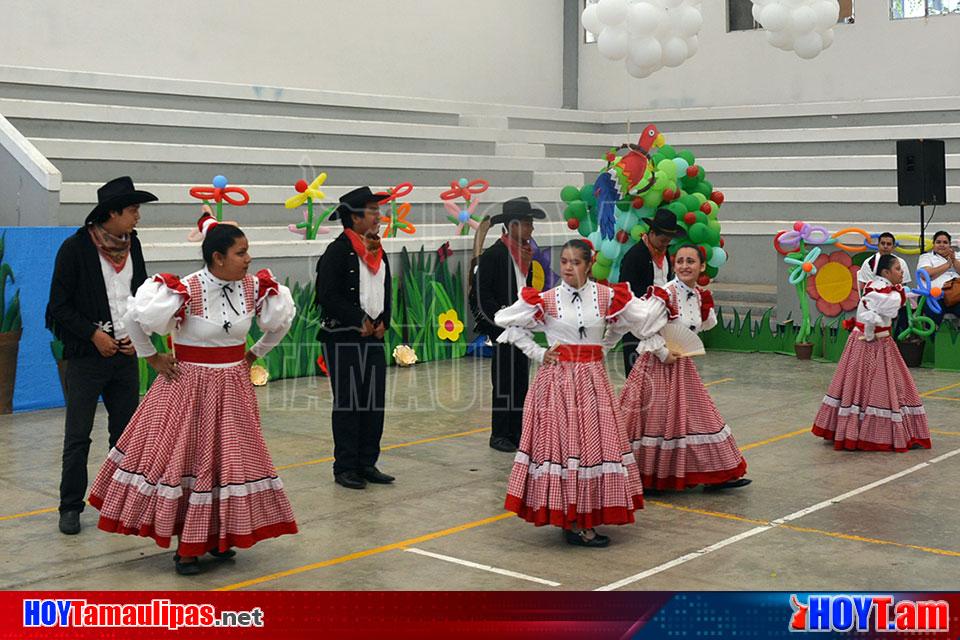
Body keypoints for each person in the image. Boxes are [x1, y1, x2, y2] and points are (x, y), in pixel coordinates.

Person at [87, 215, 298, 575]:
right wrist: (151, 357)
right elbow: (134, 318)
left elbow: (282, 322)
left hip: (233, 389)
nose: (248, 259)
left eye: (247, 252)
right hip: (188, 390)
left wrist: (253, 354)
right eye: (241, 252)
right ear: (218, 257)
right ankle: (187, 547)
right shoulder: (184, 289)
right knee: (188, 462)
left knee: (227, 462)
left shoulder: (255, 288)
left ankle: (218, 537)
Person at [494, 239, 663, 547]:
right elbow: (505, 321)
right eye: (564, 262)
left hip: (593, 382)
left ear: (588, 264)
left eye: (575, 262)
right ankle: (573, 521)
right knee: (562, 448)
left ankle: (583, 518)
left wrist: (605, 346)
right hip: (557, 383)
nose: (568, 268)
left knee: (594, 448)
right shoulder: (546, 299)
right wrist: (537, 352)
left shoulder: (606, 296)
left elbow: (636, 320)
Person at [45, 176, 156, 536]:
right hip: (86, 359)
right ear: (112, 213)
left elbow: (142, 295)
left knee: (125, 435)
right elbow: (57, 307)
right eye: (133, 209)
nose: (138, 216)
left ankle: (119, 502)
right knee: (78, 436)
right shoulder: (75, 249)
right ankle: (70, 507)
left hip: (125, 356)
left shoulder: (133, 245)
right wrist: (94, 335)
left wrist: (137, 336)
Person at [618, 245, 750, 492]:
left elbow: (703, 326)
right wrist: (662, 351)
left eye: (691, 261)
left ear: (701, 266)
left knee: (699, 417)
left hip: (682, 365)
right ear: (674, 265)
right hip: (656, 365)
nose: (685, 266)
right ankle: (650, 476)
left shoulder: (698, 295)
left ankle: (716, 473)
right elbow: (643, 329)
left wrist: (706, 309)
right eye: (679, 261)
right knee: (655, 421)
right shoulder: (665, 294)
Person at [315, 187, 394, 490]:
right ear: (355, 216)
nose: (378, 217)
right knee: (349, 402)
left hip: (373, 338)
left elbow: (384, 289)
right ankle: (345, 466)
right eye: (373, 211)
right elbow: (327, 296)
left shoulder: (377, 249)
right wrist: (358, 320)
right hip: (345, 338)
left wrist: (383, 319)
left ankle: (367, 462)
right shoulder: (337, 251)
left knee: (373, 402)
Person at [812, 254, 932, 452]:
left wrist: (904, 293)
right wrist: (901, 294)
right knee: (867, 384)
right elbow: (888, 307)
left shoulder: (886, 290)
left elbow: (891, 305)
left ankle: (862, 430)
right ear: (885, 272)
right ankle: (864, 432)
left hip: (881, 342)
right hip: (868, 344)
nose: (902, 273)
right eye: (898, 269)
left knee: (883, 385)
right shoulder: (877, 290)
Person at [471, 197, 544, 453]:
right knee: (503, 382)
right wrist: (500, 321)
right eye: (527, 223)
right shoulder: (494, 255)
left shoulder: (526, 255)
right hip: (503, 330)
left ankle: (517, 430)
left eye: (531, 224)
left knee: (520, 380)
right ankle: (500, 432)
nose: (531, 229)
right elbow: (481, 296)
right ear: (512, 225)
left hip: (522, 329)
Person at [618, 208, 683, 376]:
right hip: (638, 324)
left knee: (659, 374)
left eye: (669, 241)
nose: (665, 244)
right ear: (652, 233)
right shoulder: (635, 256)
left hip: (660, 321)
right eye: (663, 240)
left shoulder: (665, 253)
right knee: (638, 374)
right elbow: (627, 293)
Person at [858, 232, 911, 335]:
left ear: (893, 247)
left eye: (889, 244)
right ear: (878, 245)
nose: (885, 246)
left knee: (908, 310)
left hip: (894, 298)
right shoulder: (869, 263)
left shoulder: (901, 262)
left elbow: (903, 285)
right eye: (883, 243)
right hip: (874, 300)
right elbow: (866, 286)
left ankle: (899, 340)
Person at [917, 230, 960, 326]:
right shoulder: (926, 257)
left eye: (945, 242)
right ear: (933, 244)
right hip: (932, 297)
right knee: (934, 314)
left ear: (950, 245)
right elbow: (925, 275)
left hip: (956, 296)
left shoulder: (957, 256)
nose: (942, 245)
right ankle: (931, 340)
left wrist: (954, 261)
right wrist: (947, 265)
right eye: (938, 242)